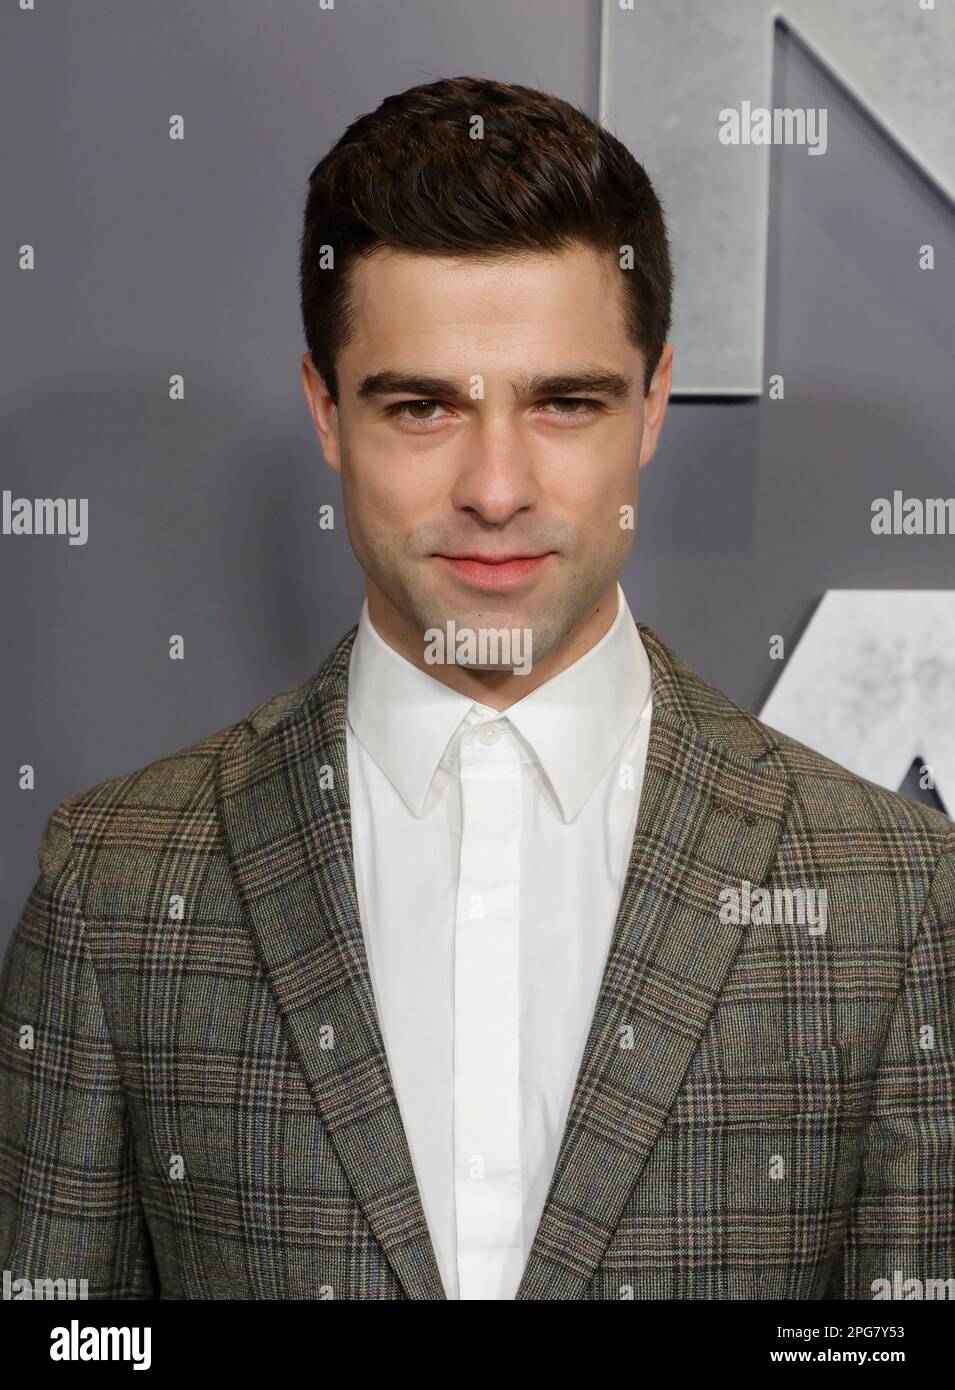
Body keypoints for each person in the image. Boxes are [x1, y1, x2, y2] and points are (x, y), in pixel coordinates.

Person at [2, 76, 952, 1302]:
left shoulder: (890, 888)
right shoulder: (116, 883)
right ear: (326, 413)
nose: (495, 488)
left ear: (652, 405)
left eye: (564, 403)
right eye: (421, 406)